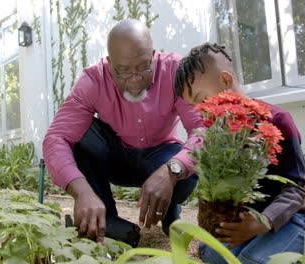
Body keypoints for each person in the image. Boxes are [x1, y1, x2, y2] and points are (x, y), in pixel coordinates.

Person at [43, 19, 203, 246]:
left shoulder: (176, 71)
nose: (135, 80)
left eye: (143, 67)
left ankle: (168, 206)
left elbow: (204, 130)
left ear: (153, 54)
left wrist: (171, 171)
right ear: (109, 64)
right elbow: (56, 137)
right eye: (123, 71)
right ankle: (106, 217)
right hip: (115, 158)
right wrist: (81, 191)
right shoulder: (93, 80)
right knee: (80, 132)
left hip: (160, 157)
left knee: (185, 169)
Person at [175, 43, 305, 264]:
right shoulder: (219, 132)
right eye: (193, 105)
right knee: (212, 253)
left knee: (252, 260)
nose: (200, 110)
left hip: (296, 215)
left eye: (201, 99)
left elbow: (296, 188)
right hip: (251, 215)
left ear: (226, 82)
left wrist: (261, 223)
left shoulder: (277, 120)